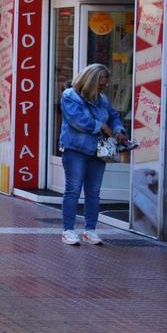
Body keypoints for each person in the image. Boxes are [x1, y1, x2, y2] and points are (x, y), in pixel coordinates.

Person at [60, 64, 127, 246]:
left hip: (97, 151)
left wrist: (118, 129)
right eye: (101, 84)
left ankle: (90, 230)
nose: (104, 87)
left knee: (93, 192)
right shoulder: (70, 96)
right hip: (76, 150)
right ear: (91, 81)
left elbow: (113, 116)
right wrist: (101, 126)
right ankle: (68, 230)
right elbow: (77, 120)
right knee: (73, 190)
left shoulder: (102, 99)